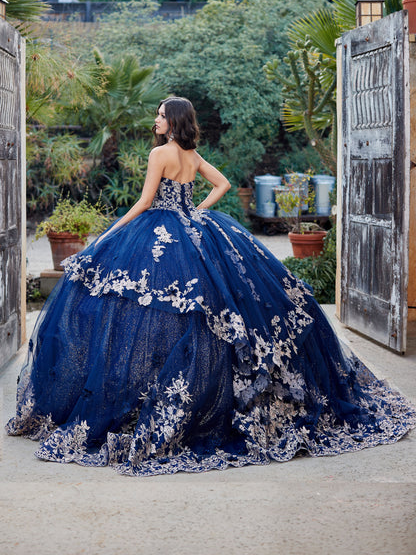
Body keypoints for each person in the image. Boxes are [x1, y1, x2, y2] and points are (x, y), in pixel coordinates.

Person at [6, 96, 416, 477]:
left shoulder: (160, 153)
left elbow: (146, 201)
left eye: (161, 115)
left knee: (145, 306)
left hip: (160, 228)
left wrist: (112, 231)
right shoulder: (191, 155)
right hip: (196, 227)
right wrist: (196, 211)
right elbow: (221, 184)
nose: (156, 120)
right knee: (215, 305)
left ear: (173, 122)